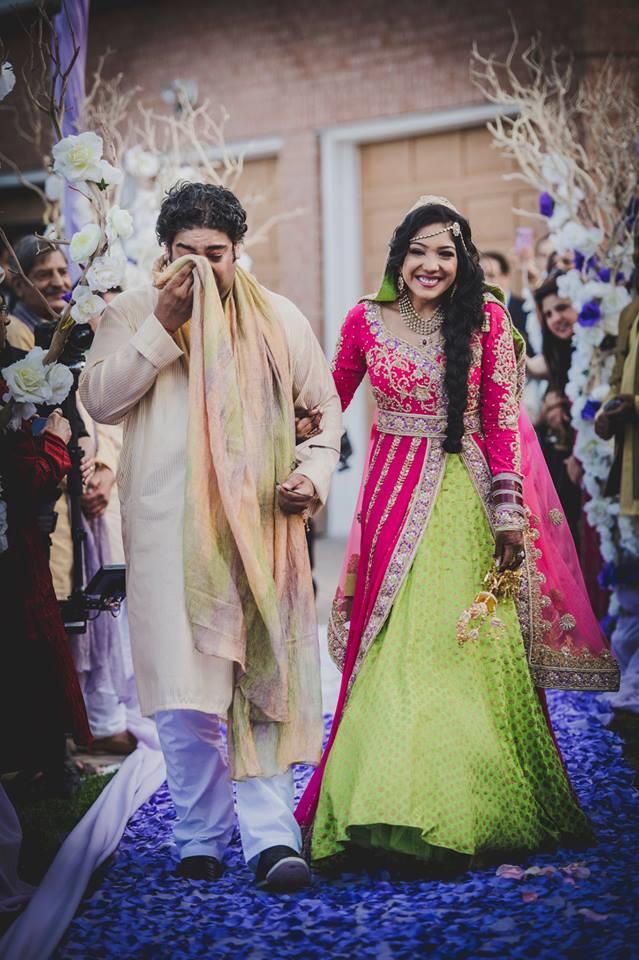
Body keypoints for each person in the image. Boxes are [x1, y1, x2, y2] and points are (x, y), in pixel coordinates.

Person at [296, 196, 619, 873]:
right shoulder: (363, 320)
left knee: (464, 649)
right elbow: (325, 404)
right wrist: (294, 453)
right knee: (394, 648)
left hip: (470, 506)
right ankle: (381, 808)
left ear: (463, 261)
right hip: (388, 503)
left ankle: (457, 807)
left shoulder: (488, 321)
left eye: (445, 251)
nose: (430, 263)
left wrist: (508, 513)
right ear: (398, 254)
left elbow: (502, 423)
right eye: (418, 249)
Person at [79, 182, 342, 889]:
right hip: (169, 537)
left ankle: (270, 840)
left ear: (238, 251)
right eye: (183, 254)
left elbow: (325, 414)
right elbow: (101, 398)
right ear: (162, 253)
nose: (197, 269)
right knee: (182, 693)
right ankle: (199, 832)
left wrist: (311, 480)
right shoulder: (131, 313)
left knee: (260, 683)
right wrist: (159, 328)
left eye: (215, 255)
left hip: (260, 530)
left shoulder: (279, 318)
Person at [0, 309, 90, 794]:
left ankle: (45, 760)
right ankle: (44, 763)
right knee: (28, 654)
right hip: (14, 550)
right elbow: (21, 480)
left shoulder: (14, 368)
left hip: (22, 543)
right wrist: (55, 446)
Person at [595, 225, 639, 715]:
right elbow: (615, 380)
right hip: (629, 459)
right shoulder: (630, 312)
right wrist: (609, 413)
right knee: (632, 564)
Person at [480, 250, 530, 352]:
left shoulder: (524, 308)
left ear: (505, 278)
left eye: (490, 275)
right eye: (479, 276)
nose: (483, 282)